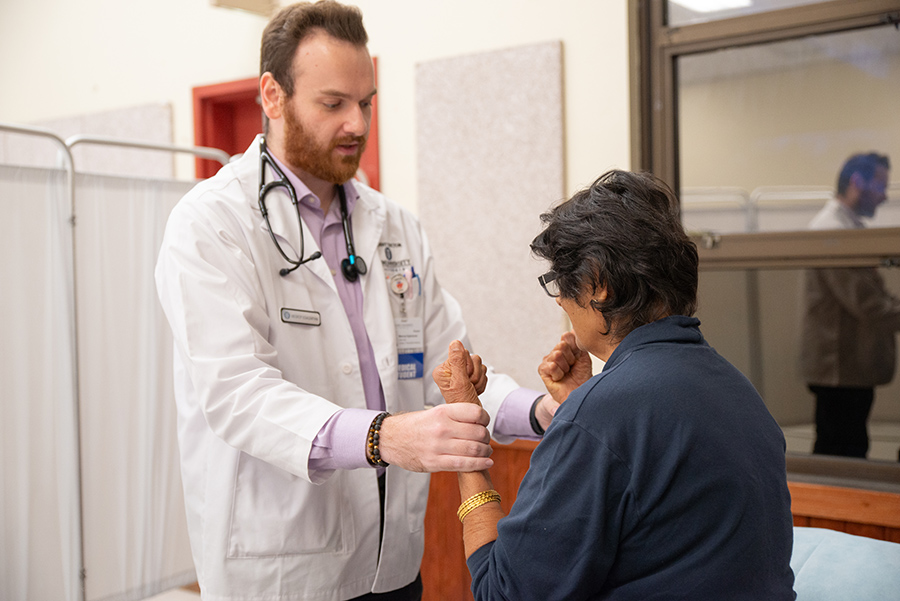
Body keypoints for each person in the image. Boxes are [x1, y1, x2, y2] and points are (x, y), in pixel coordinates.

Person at [154, 2, 558, 599]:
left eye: (365, 102)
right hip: (282, 571)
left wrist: (540, 412)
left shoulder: (395, 226)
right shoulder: (211, 224)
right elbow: (237, 394)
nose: (357, 124)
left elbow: (448, 371)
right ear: (272, 95)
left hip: (392, 564)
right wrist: (385, 437)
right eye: (333, 103)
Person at [433, 170, 797, 600]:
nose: (559, 299)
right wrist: (581, 406)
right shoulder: (738, 390)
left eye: (560, 282)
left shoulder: (602, 416)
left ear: (598, 284)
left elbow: (503, 593)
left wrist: (467, 445)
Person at [801, 152, 898, 458]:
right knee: (842, 455)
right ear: (857, 181)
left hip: (847, 368)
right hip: (839, 370)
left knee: (845, 447)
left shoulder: (849, 229)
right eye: (881, 186)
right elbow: (869, 304)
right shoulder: (833, 232)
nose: (884, 196)